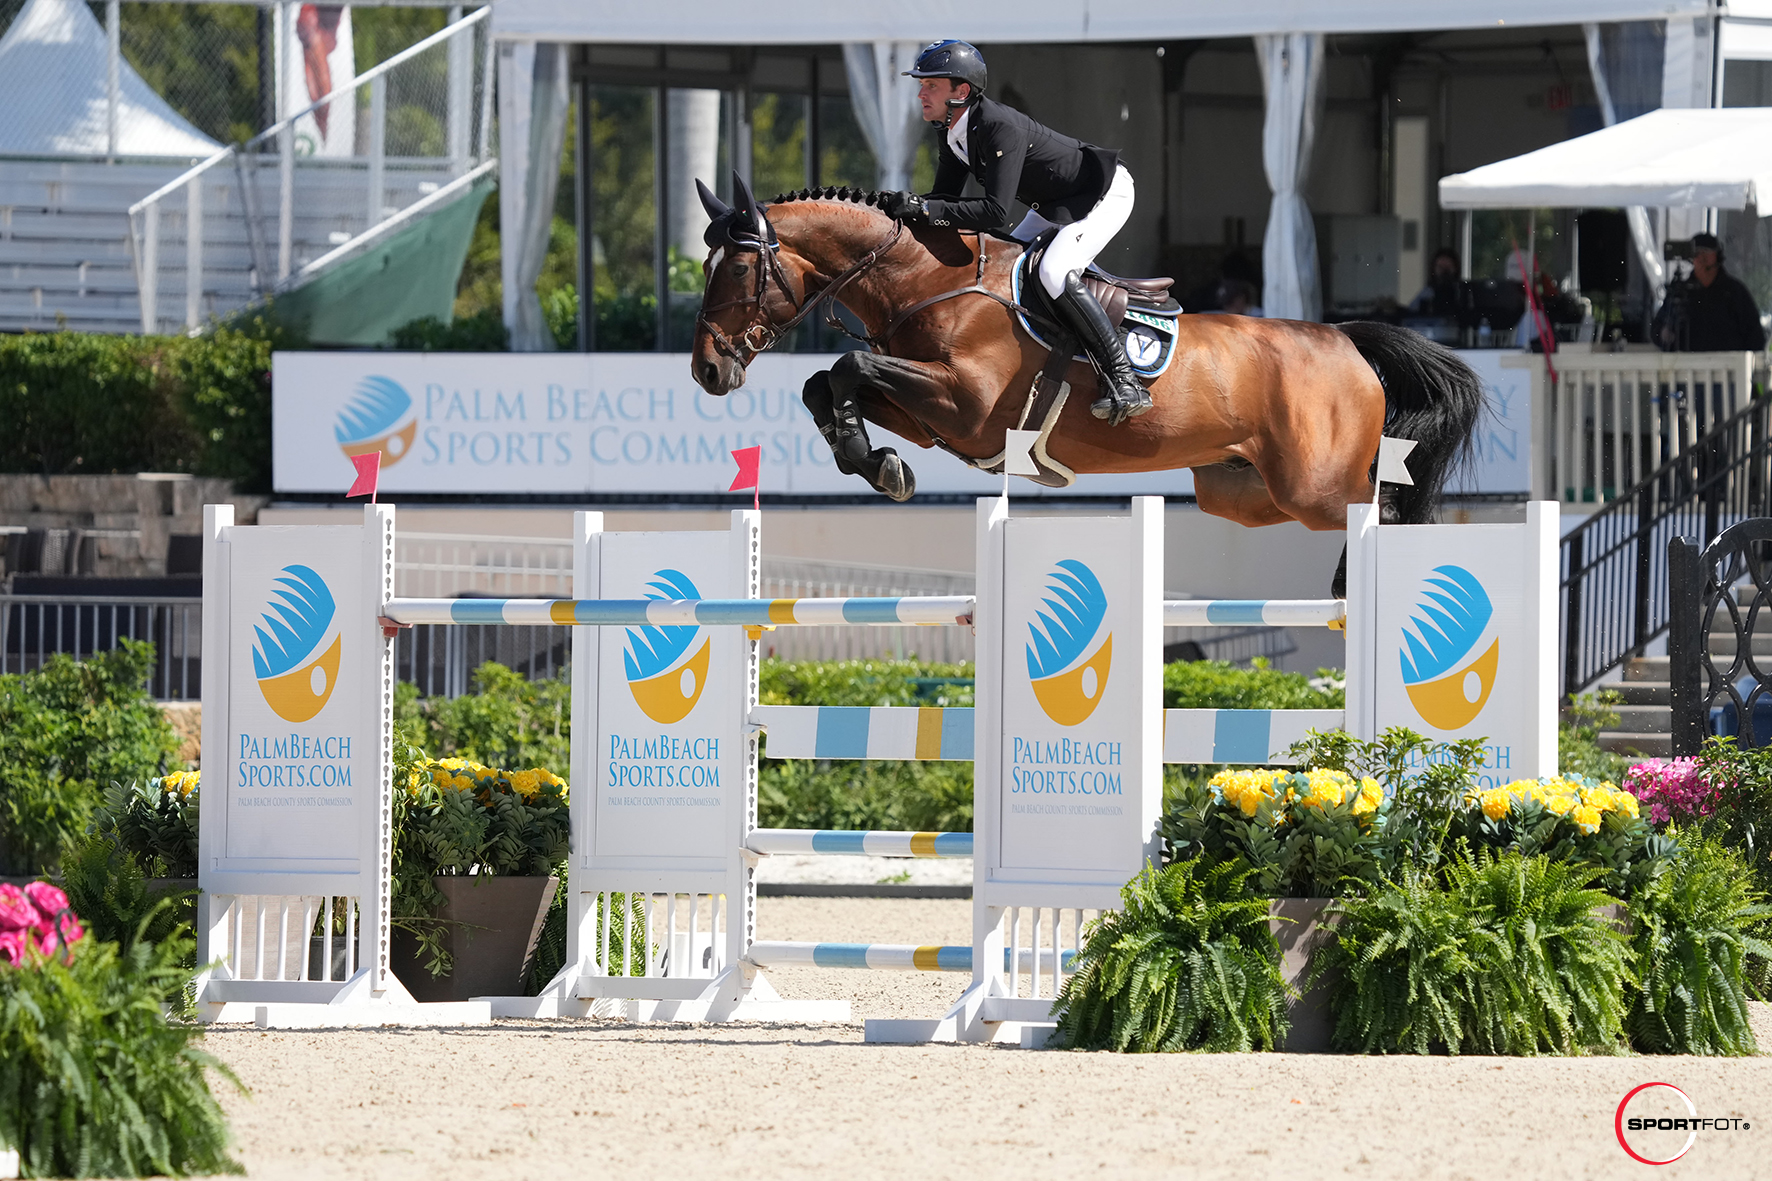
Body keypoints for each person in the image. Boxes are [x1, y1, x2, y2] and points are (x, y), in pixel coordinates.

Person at [878, 40, 1147, 424]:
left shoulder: (996, 125)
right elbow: (943, 199)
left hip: (1102, 194)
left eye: (931, 85)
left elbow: (993, 212)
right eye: (921, 85)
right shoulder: (951, 130)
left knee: (1053, 272)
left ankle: (1124, 378)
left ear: (962, 92)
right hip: (1054, 203)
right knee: (1005, 268)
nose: (921, 93)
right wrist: (898, 213)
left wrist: (924, 208)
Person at [1654, 233, 1767, 353]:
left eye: (1707, 252)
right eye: (1697, 253)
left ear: (1717, 255)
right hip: (1687, 368)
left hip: (1729, 367)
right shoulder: (1680, 292)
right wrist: (1664, 334)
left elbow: (1756, 337)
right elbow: (1657, 329)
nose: (1702, 258)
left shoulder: (1734, 292)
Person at [1409, 248, 1464, 317]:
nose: (1444, 272)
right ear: (1433, 269)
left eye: (1448, 267)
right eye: (1440, 267)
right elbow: (1412, 311)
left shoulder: (1462, 292)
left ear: (1456, 268)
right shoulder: (1428, 292)